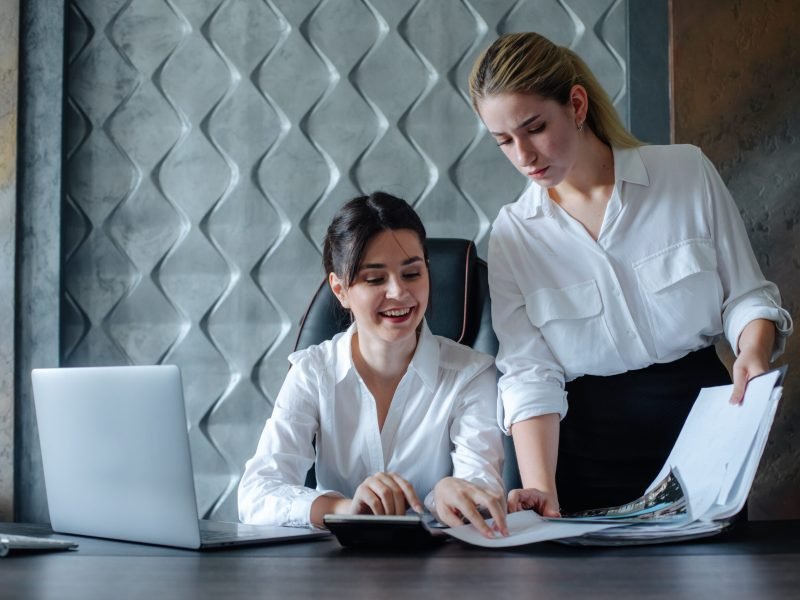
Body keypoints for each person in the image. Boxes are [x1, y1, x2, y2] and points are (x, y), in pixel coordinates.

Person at [467, 32, 793, 515]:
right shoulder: (515, 234)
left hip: (703, 435)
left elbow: (747, 296)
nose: (523, 156)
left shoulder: (685, 173)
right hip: (586, 457)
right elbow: (529, 374)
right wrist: (542, 489)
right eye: (504, 141)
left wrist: (752, 349)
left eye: (534, 128)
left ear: (576, 104)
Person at [238, 192, 508, 538]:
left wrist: (445, 495)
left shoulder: (471, 374)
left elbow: (480, 482)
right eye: (375, 279)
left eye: (412, 273)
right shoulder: (312, 372)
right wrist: (343, 509)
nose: (398, 292)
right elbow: (256, 494)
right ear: (340, 290)